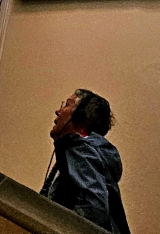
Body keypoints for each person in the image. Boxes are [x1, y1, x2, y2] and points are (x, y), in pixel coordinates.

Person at [41, 90, 130, 234]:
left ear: (79, 116)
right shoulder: (84, 151)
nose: (58, 111)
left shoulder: (82, 150)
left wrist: (56, 226)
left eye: (66, 105)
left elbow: (94, 209)